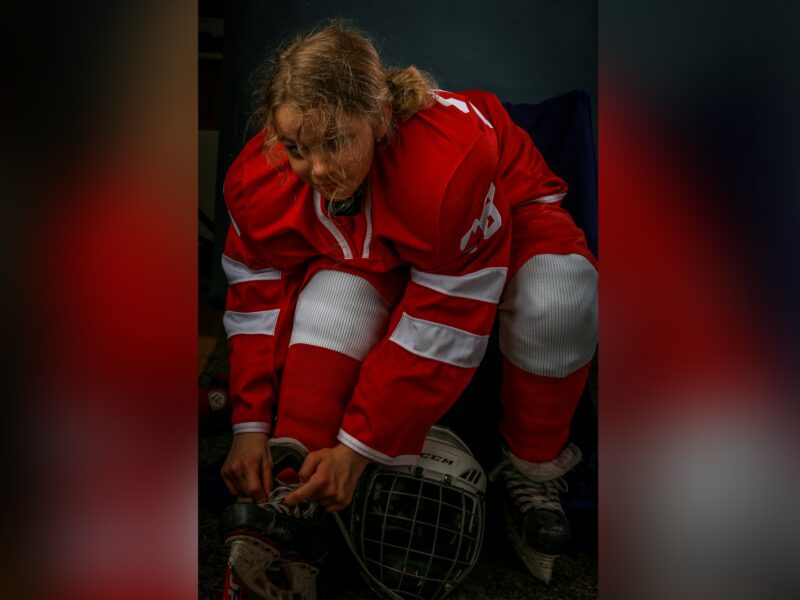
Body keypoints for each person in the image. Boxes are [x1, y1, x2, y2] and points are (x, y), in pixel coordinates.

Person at [219, 21, 597, 596]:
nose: (317, 170)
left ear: (379, 117)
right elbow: (255, 294)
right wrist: (249, 425)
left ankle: (533, 469)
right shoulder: (265, 174)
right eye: (298, 148)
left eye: (335, 142)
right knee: (334, 296)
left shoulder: (446, 168)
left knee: (559, 294)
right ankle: (296, 481)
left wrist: (357, 449)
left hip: (505, 212)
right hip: (389, 225)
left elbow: (444, 321)